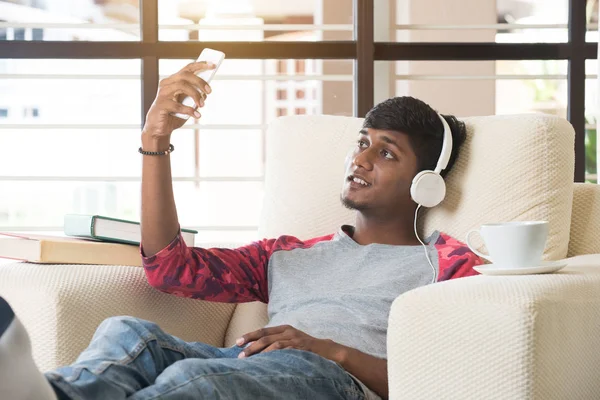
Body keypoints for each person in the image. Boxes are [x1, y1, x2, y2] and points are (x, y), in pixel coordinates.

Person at [0, 61, 481, 400]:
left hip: (334, 381)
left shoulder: (450, 263)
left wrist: (329, 349)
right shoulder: (288, 253)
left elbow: (448, 377)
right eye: (362, 143)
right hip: (246, 365)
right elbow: (169, 268)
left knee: (196, 378)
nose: (360, 159)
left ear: (427, 184)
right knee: (129, 335)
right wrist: (155, 140)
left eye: (386, 152)